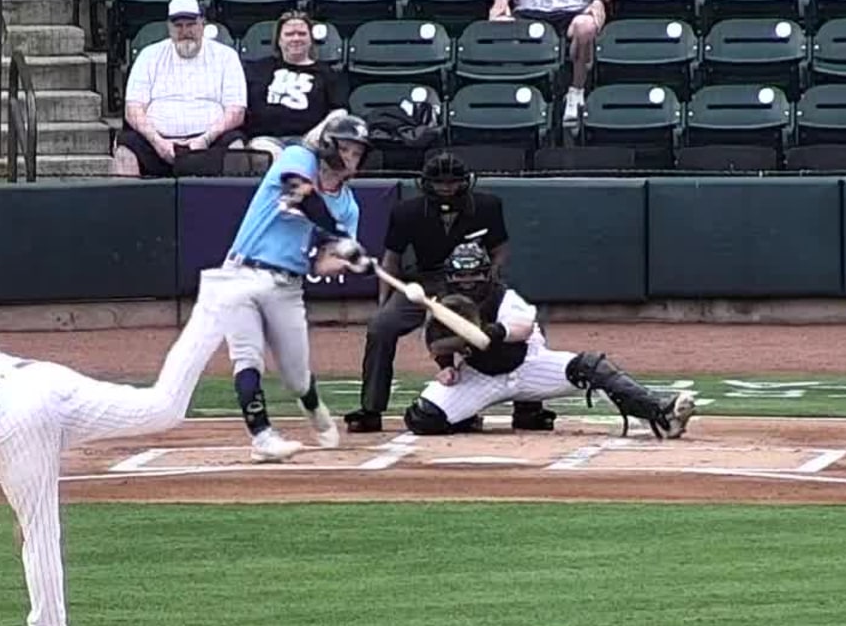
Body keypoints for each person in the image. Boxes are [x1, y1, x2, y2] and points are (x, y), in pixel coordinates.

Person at [0, 285, 237, 626]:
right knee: (163, 409)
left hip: (14, 410)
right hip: (49, 384)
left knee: (39, 530)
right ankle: (211, 313)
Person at [402, 242, 698, 439]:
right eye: (461, 276)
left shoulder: (505, 297)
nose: (468, 282)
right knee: (423, 419)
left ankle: (661, 417)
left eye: (474, 275)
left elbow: (522, 327)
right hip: (482, 375)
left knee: (591, 366)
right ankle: (466, 418)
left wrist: (487, 333)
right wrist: (445, 364)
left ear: (486, 274)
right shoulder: (445, 305)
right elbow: (435, 340)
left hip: (528, 367)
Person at [345, 151, 544, 434]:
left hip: (474, 280)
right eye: (440, 183)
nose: (447, 188)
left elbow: (500, 250)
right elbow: (391, 259)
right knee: (380, 327)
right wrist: (384, 302)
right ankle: (371, 409)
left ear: (465, 182)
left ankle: (529, 408)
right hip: (426, 281)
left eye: (452, 182)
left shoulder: (488, 206)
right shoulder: (407, 211)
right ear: (427, 184)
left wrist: (492, 280)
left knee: (519, 323)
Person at [216, 112, 375, 463]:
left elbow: (322, 262)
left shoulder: (348, 205)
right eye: (348, 149)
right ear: (332, 147)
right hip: (241, 272)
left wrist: (355, 263)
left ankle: (312, 403)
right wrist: (339, 237)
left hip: (287, 286)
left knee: (296, 377)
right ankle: (262, 436)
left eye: (358, 152)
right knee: (247, 356)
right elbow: (301, 195)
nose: (354, 158)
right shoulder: (297, 158)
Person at [112, 0, 247, 178]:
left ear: (202, 24)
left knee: (235, 145)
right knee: (125, 146)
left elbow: (236, 111)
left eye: (191, 24)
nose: (185, 31)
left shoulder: (226, 56)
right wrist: (158, 142)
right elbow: (133, 109)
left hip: (209, 142)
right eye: (178, 26)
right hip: (157, 142)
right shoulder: (149, 55)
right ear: (169, 28)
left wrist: (204, 140)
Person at [488, 0, 616, 124]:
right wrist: (500, 1)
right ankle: (508, 101)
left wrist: (599, 1)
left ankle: (576, 92)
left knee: (586, 27)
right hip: (528, 13)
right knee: (498, 25)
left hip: (574, 11)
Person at [242, 10, 350, 162]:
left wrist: (320, 130)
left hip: (309, 141)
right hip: (266, 141)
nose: (296, 38)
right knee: (272, 156)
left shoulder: (327, 73)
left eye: (301, 34)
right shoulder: (258, 69)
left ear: (311, 39)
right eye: (289, 34)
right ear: (279, 40)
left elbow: (340, 111)